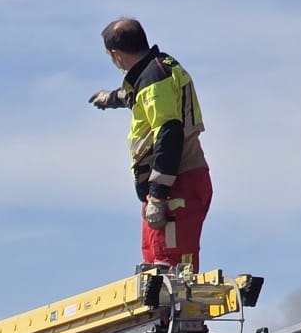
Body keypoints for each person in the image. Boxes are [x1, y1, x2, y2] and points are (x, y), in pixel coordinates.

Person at [89, 18, 210, 269]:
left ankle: (170, 311)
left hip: (176, 184)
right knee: (153, 269)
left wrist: (157, 196)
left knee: (170, 272)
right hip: (170, 186)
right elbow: (140, 98)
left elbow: (169, 131)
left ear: (116, 55)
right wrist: (112, 98)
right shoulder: (156, 71)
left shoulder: (155, 78)